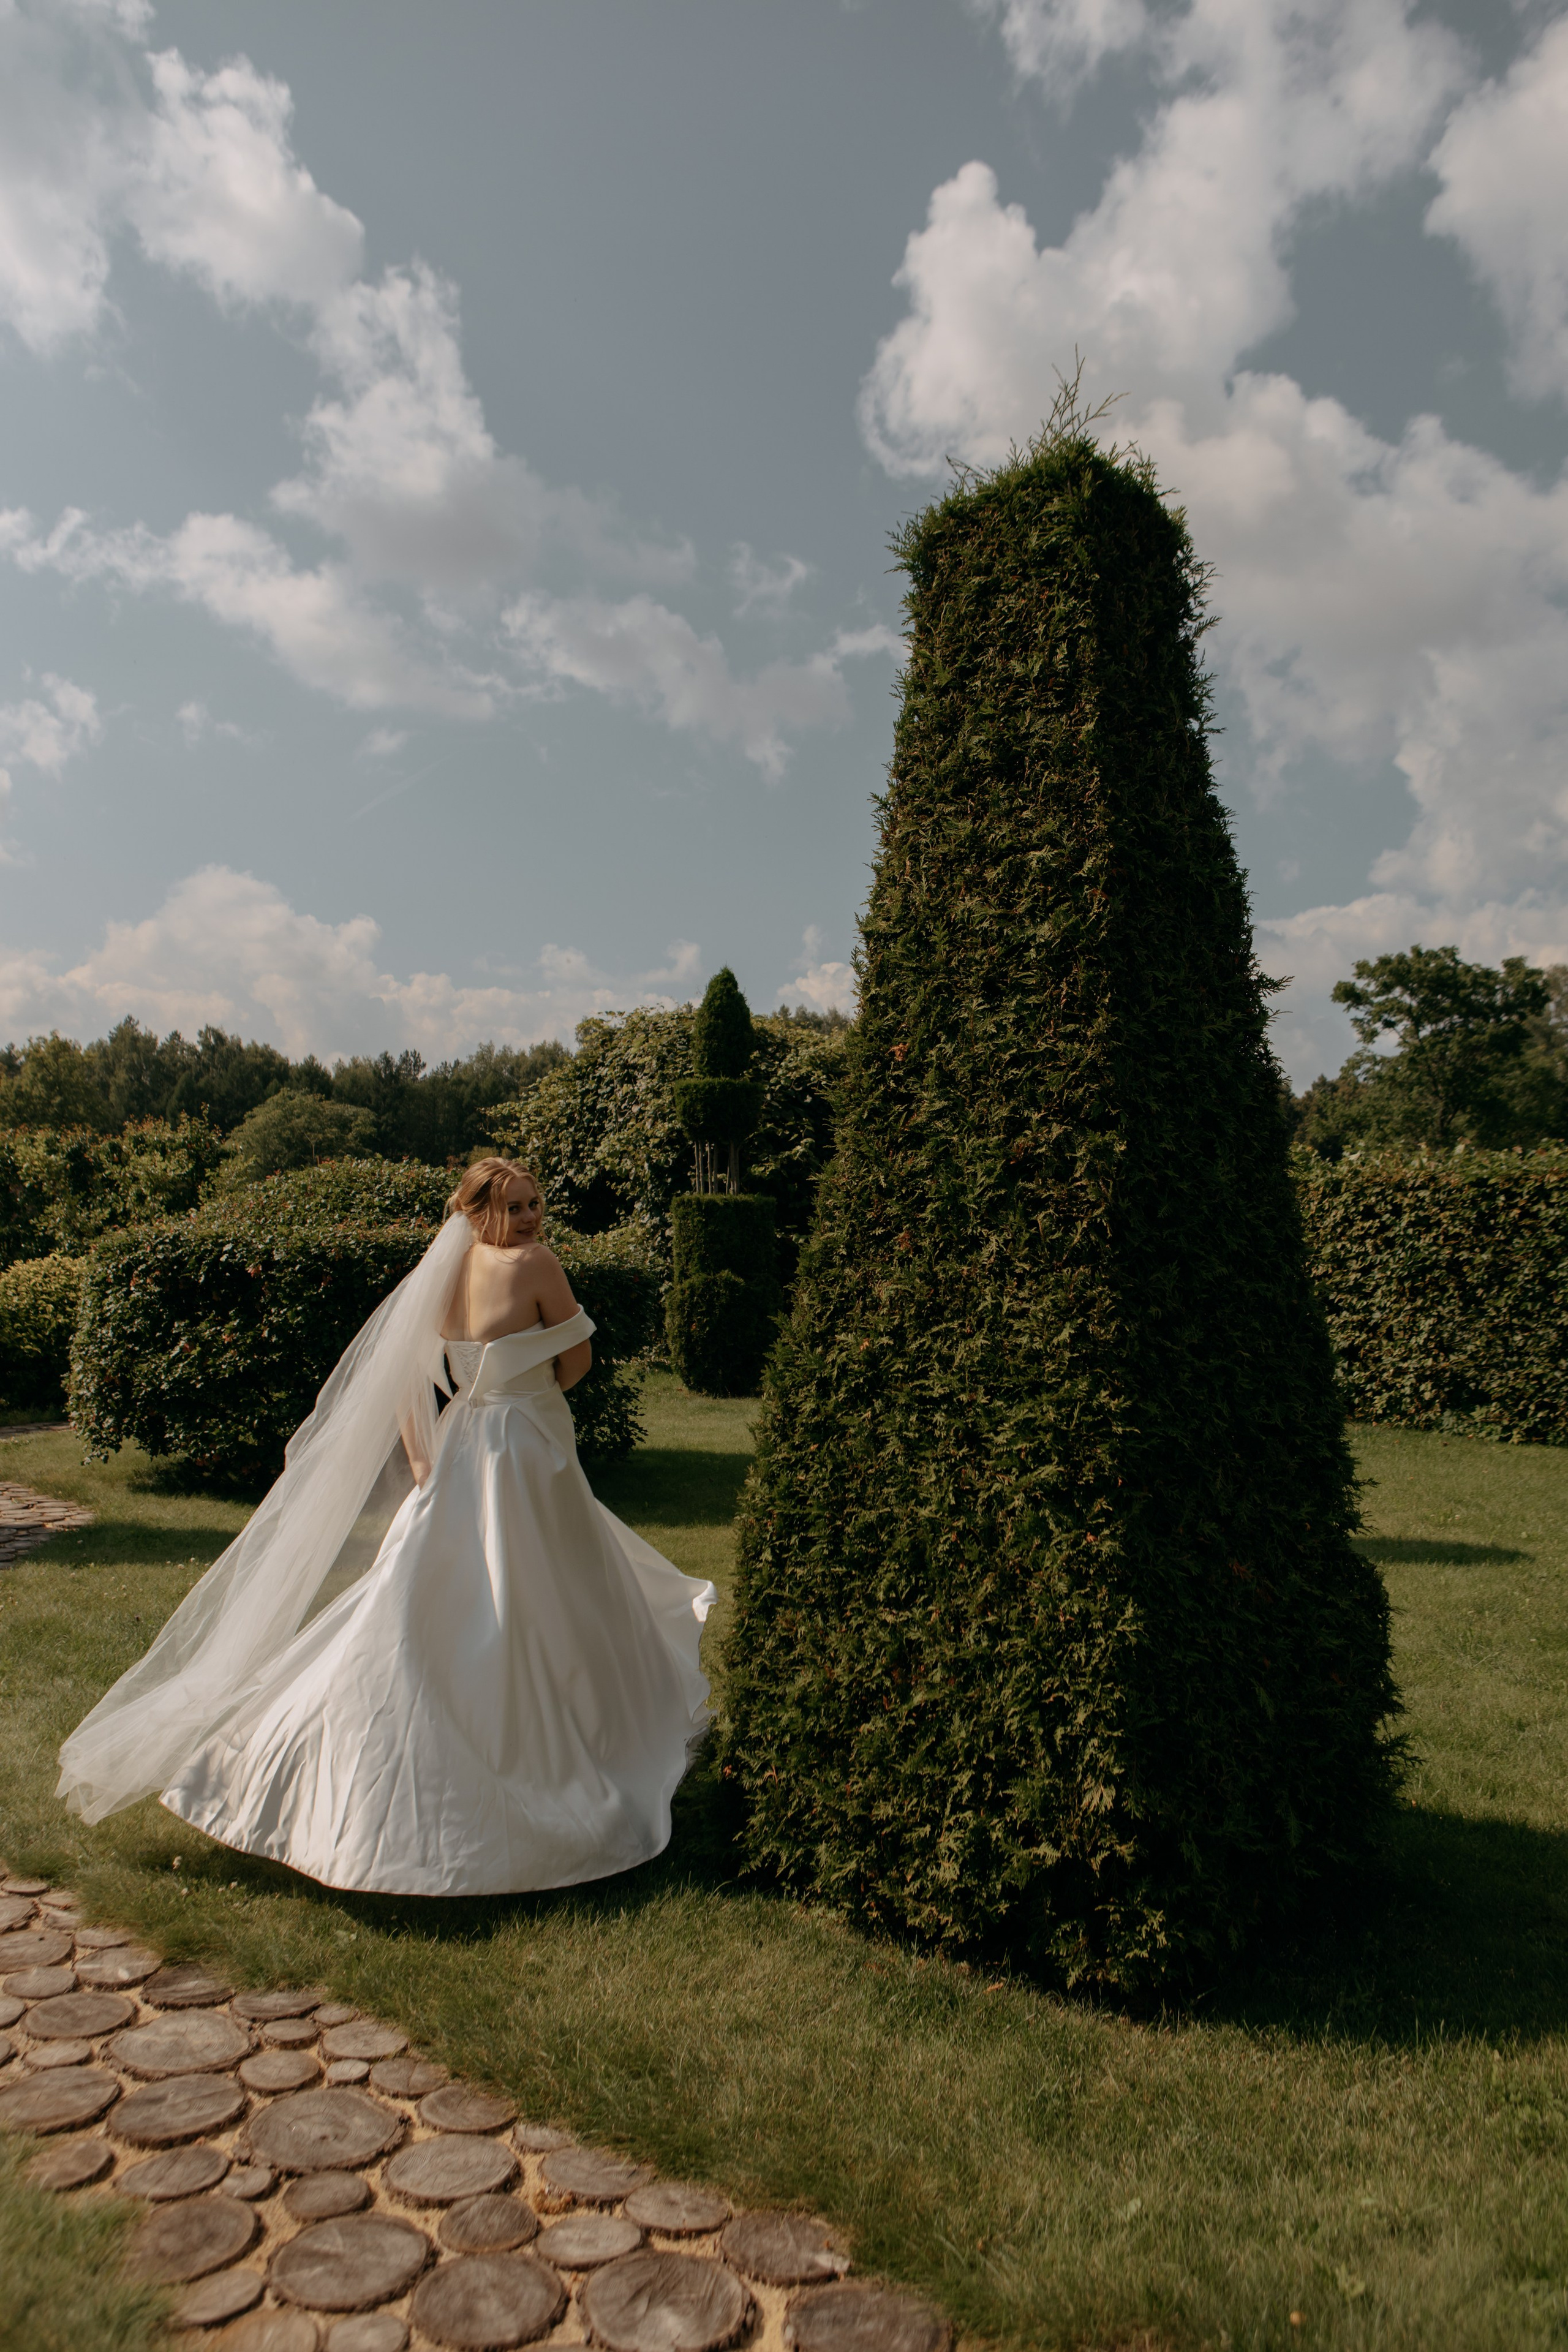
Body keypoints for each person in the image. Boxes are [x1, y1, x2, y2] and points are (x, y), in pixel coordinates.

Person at [56, 1160, 714, 1897]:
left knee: (426, 1593)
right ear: (479, 1211)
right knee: (548, 1583)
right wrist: (527, 1392)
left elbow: (406, 1374)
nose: (531, 1219)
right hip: (525, 1444)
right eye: (516, 1206)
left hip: (463, 1438)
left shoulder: (443, 1273)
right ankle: (576, 1742)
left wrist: (422, 1452)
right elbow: (578, 1359)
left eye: (535, 1205)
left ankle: (289, 1758)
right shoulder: (535, 1263)